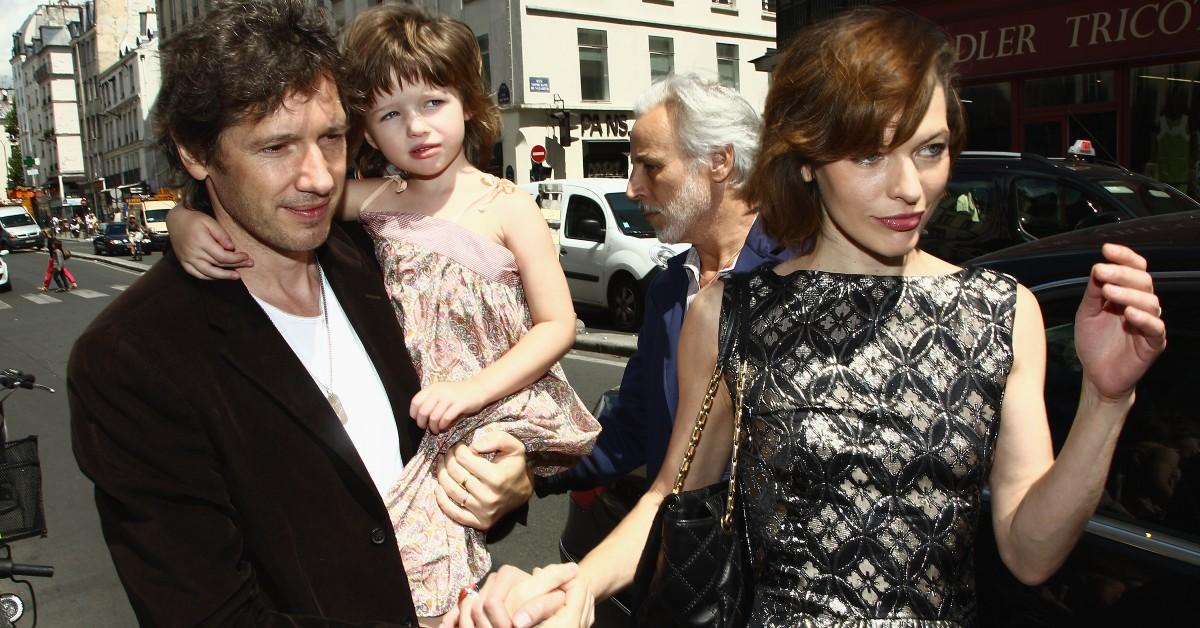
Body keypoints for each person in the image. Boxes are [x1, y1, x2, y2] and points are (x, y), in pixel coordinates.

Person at [447, 7, 1168, 628]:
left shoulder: (1000, 314)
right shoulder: (729, 312)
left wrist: (1107, 400)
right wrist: (577, 583)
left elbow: (1030, 552)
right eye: (868, 155)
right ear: (808, 160)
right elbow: (671, 493)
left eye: (931, 149)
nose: (911, 188)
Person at [70, 1, 535, 625]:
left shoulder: (383, 261)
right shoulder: (133, 359)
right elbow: (210, 614)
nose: (318, 176)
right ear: (196, 152)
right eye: (276, 146)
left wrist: (511, 483)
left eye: (331, 137)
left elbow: (465, 439)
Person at [165, 3, 599, 619]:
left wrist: (475, 389)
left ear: (469, 103)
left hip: (493, 400)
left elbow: (558, 324)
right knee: (400, 554)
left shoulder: (508, 206)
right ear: (366, 131)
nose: (417, 128)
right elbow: (263, 196)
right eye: (391, 114)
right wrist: (184, 220)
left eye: (433, 102)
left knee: (430, 546)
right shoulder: (376, 200)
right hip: (427, 417)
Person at [536, 74, 789, 499]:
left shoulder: (799, 275)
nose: (633, 188)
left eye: (651, 166)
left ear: (720, 162)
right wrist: (536, 472)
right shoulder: (668, 288)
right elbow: (636, 425)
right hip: (682, 555)